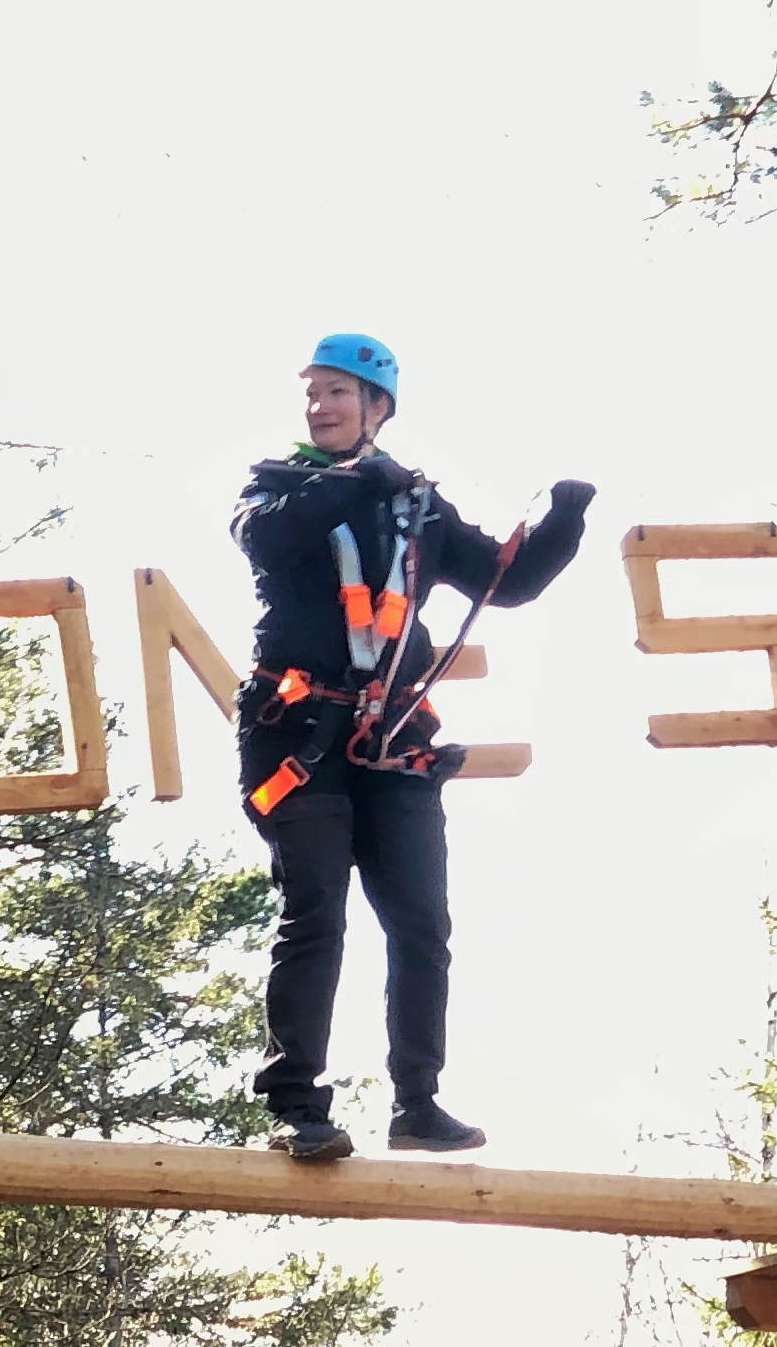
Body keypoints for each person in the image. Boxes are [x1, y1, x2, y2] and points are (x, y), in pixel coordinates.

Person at [231, 333, 594, 1161]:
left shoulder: (414, 508)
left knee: (422, 924)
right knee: (315, 911)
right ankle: (296, 1105)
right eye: (313, 393)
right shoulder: (276, 484)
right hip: (297, 734)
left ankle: (417, 1103)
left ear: (377, 409)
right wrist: (362, 477)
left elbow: (508, 583)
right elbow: (267, 541)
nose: (319, 406)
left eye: (337, 394)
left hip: (393, 742)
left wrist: (565, 519)